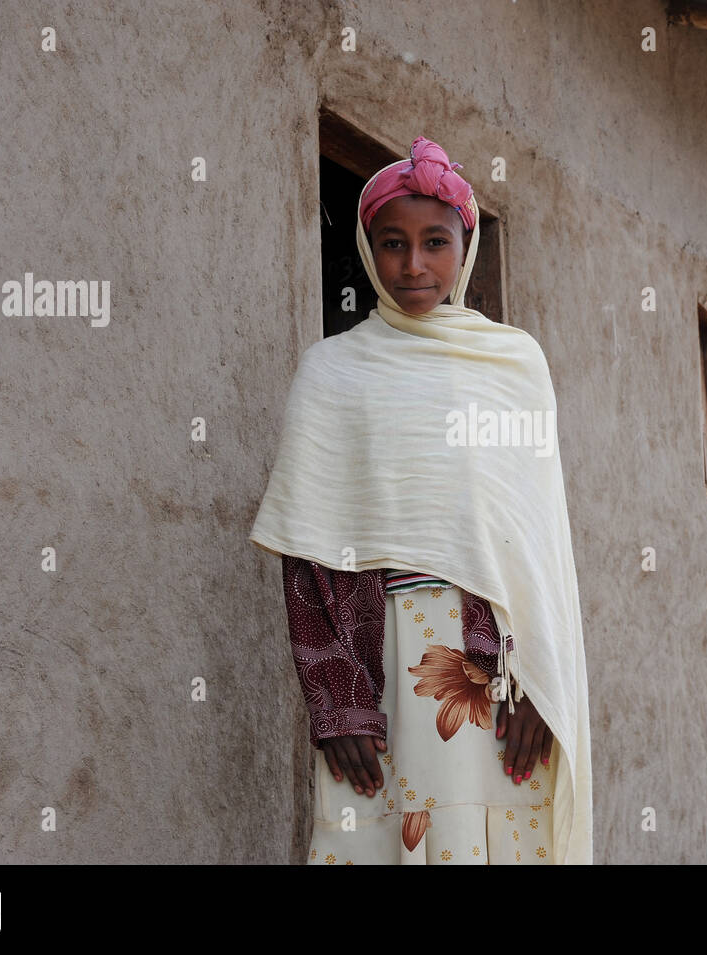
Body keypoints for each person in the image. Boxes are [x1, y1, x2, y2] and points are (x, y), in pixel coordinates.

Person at [249, 136, 592, 864]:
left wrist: (541, 683)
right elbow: (307, 555)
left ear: (464, 249)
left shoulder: (514, 364)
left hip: (497, 675)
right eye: (392, 243)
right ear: (368, 251)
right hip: (380, 663)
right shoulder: (331, 373)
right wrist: (334, 698)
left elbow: (541, 551)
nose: (413, 264)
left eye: (435, 242)